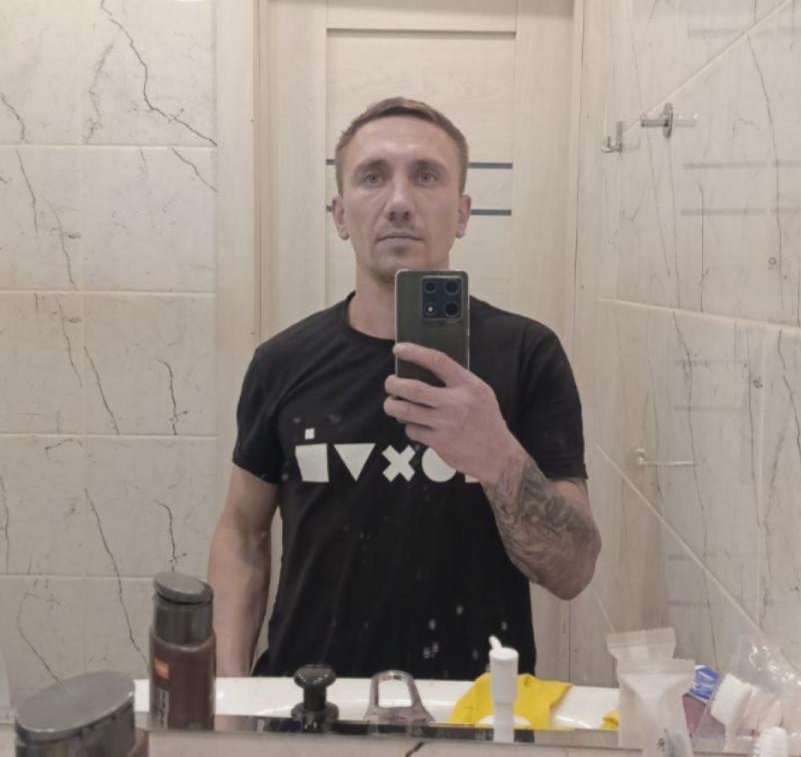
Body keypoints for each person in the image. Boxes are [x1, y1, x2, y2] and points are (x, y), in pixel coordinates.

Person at [208, 97, 601, 680]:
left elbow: (573, 572)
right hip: (310, 701)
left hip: (474, 708)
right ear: (340, 214)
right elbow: (242, 535)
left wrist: (498, 458)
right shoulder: (282, 362)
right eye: (372, 177)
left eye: (426, 176)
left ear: (462, 213)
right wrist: (228, 693)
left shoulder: (526, 355)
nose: (398, 202)